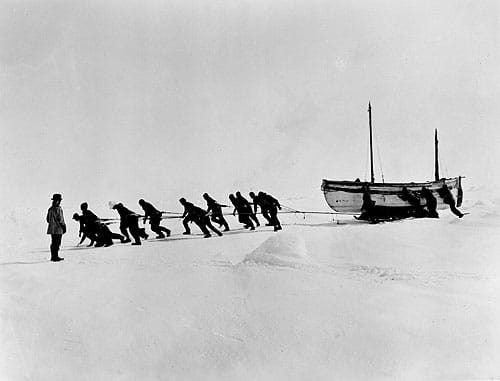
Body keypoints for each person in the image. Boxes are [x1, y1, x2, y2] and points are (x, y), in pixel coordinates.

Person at [46, 193, 66, 262]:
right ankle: (55, 256)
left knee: (53, 243)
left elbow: (47, 219)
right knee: (57, 243)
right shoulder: (58, 209)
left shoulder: (50, 209)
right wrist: (64, 226)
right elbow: (61, 219)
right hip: (58, 229)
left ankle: (53, 256)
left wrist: (52, 223)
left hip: (52, 229)